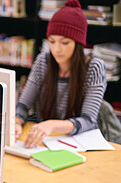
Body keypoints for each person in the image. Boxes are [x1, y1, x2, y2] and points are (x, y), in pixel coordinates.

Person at [15, 0, 106, 148]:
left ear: (78, 44)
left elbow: (88, 120)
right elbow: (23, 106)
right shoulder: (43, 61)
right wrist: (16, 122)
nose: (56, 49)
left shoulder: (93, 67)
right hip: (45, 141)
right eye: (51, 41)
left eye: (64, 43)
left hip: (78, 143)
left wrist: (53, 125)